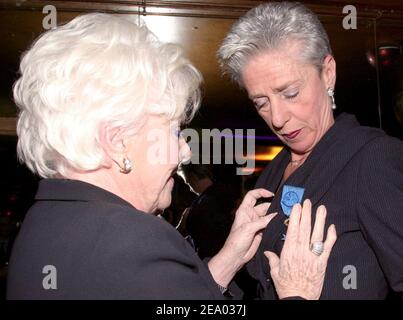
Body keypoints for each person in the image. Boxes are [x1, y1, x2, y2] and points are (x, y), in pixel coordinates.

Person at [7, 13, 336, 300]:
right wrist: (297, 292)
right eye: (173, 131)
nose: (185, 149)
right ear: (117, 141)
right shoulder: (135, 242)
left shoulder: (46, 219)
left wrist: (227, 261)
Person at [218, 1, 403, 299]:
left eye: (290, 93)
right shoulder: (275, 169)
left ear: (327, 74)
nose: (277, 119)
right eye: (261, 102)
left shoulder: (373, 158)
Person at [176, 164, 236, 259]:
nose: (190, 189)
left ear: (193, 177)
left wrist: (183, 224)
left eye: (188, 183)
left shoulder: (200, 206)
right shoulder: (229, 194)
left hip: (210, 260)